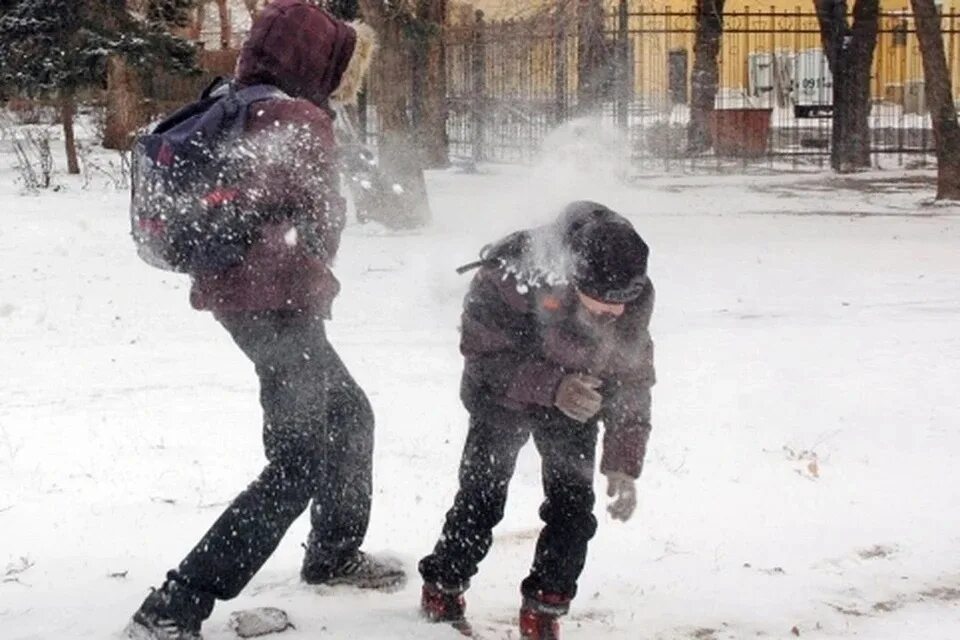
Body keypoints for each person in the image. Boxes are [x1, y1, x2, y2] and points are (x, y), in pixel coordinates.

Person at [127, 3, 402, 639]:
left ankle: (333, 554)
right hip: (277, 308)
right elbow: (318, 217)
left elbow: (249, 200)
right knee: (298, 461)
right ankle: (175, 605)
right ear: (317, 59)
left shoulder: (237, 99)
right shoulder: (296, 117)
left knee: (349, 416)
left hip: (244, 299)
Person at [418, 201, 656, 640]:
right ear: (574, 275)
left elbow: (632, 378)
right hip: (501, 397)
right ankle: (443, 583)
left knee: (572, 508)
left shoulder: (631, 291)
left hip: (576, 402)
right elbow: (483, 357)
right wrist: (552, 387)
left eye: (625, 300)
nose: (615, 311)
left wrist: (623, 460)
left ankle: (545, 607)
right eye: (604, 300)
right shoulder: (510, 275)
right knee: (482, 497)